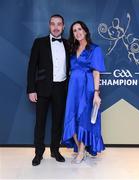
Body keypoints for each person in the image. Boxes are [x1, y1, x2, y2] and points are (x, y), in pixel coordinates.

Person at [27, 14, 70, 166]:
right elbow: (32, 67)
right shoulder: (39, 43)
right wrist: (31, 89)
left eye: (59, 24)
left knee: (57, 122)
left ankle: (55, 150)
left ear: (63, 26)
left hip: (61, 88)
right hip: (42, 89)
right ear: (49, 25)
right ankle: (38, 153)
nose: (56, 27)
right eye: (53, 24)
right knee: (40, 122)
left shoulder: (68, 44)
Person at [62, 21, 106, 164]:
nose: (77, 32)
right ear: (73, 34)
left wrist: (96, 93)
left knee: (85, 119)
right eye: (74, 31)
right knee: (71, 117)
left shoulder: (94, 49)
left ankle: (82, 150)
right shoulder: (72, 50)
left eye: (79, 29)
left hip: (87, 88)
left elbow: (96, 73)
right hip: (73, 88)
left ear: (85, 31)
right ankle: (80, 148)